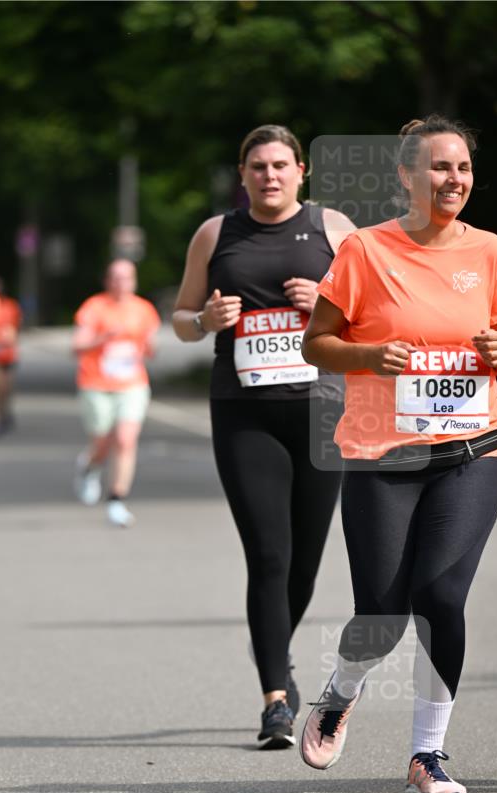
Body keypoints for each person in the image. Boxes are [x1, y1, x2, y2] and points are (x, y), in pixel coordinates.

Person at [300, 115, 497, 793]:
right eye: (440, 168)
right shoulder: (363, 250)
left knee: (441, 598)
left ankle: (427, 756)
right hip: (380, 453)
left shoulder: (490, 251)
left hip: (472, 448)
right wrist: (365, 355)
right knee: (381, 614)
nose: (454, 181)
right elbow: (314, 343)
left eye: (463, 169)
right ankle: (340, 690)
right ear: (406, 176)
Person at [172, 124, 354, 748]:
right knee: (268, 555)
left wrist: (324, 304)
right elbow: (180, 319)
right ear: (242, 173)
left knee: (304, 560)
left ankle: (274, 649)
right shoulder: (215, 233)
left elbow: (374, 315)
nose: (269, 175)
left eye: (280, 165)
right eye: (257, 166)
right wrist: (204, 319)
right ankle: (275, 700)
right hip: (245, 413)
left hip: (323, 413)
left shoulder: (334, 229)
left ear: (301, 171)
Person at [72, 258, 160, 528]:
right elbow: (76, 346)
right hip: (96, 384)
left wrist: (146, 347)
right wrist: (102, 338)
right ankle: (90, 467)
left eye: (127, 278)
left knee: (125, 439)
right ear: (108, 281)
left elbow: (152, 349)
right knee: (102, 442)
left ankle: (116, 500)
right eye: (116, 278)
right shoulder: (94, 307)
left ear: (134, 281)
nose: (122, 283)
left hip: (132, 385)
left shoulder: (144, 309)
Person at [0, 276, 22, 436]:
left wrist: (8, 339)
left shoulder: (11, 306)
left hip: (8, 354)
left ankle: (5, 412)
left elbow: (14, 329)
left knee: (6, 388)